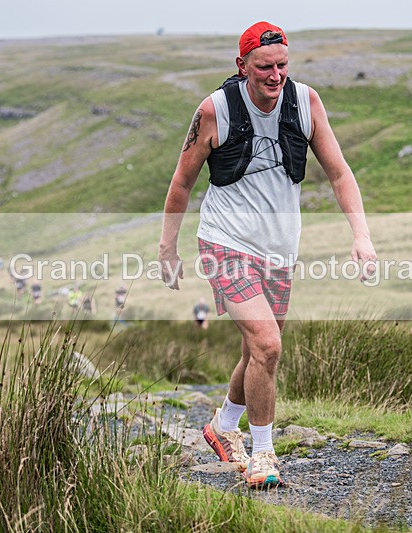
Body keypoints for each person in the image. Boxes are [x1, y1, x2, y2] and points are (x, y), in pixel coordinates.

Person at [157, 21, 378, 489]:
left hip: (279, 250)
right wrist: (167, 247)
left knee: (256, 353)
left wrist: (361, 235)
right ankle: (262, 456)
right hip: (224, 243)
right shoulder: (214, 110)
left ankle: (221, 427)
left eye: (282, 65)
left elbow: (339, 173)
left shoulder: (306, 102)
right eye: (264, 68)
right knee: (268, 345)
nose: (275, 76)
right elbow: (181, 183)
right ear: (242, 67)